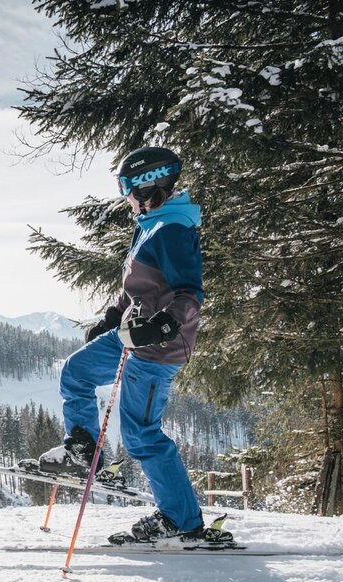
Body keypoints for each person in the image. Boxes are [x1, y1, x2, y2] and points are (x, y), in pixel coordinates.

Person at [37, 146, 214, 543]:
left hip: (157, 347)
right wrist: (112, 317)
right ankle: (85, 452)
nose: (125, 196)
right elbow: (138, 287)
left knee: (140, 434)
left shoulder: (173, 230)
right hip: (131, 334)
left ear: (147, 184)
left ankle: (182, 521)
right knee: (77, 372)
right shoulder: (150, 223)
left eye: (126, 187)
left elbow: (189, 294)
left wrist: (162, 326)